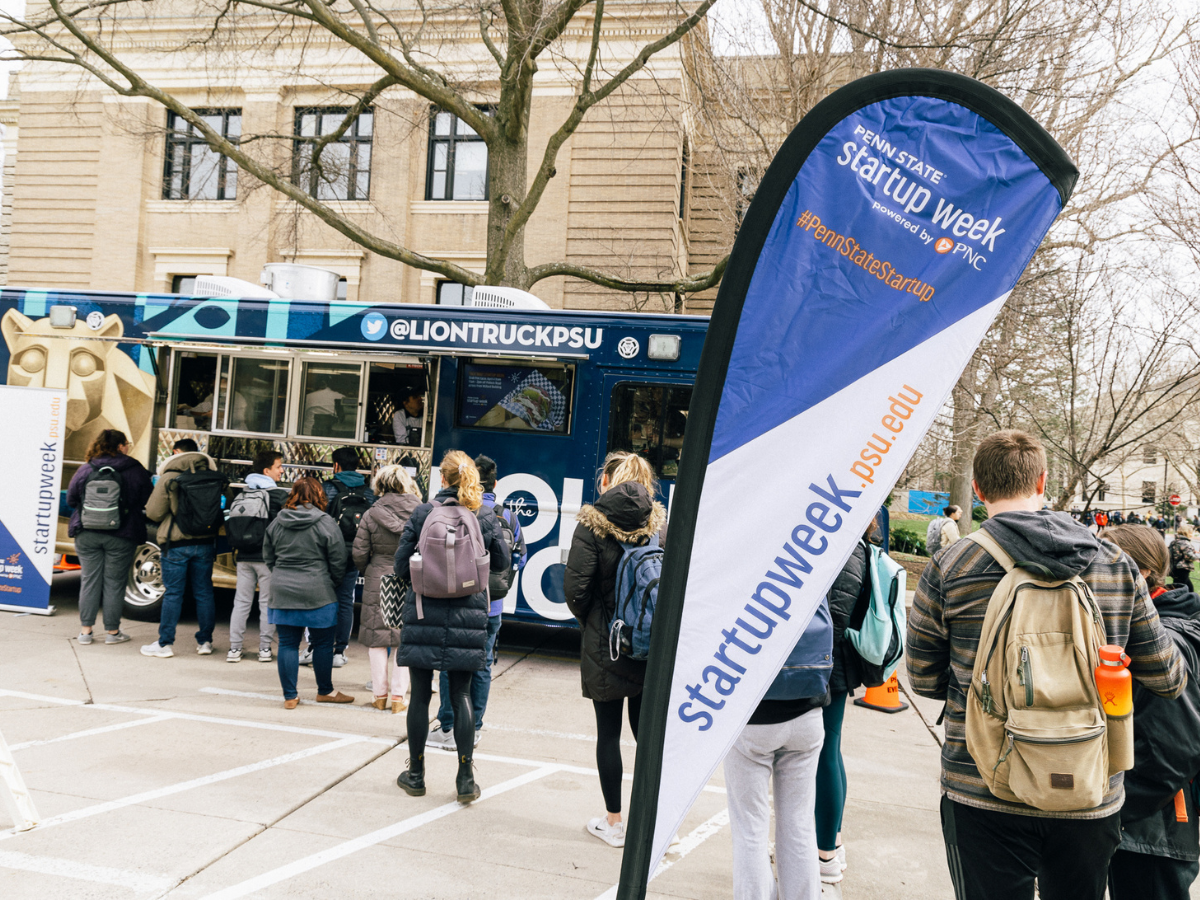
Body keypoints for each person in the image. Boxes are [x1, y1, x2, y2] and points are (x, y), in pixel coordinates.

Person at [907, 429, 1186, 900]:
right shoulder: (1114, 563)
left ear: (977, 489)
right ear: (1042, 481)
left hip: (980, 784)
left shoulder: (952, 565)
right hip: (1088, 787)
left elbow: (923, 677)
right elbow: (1169, 678)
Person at [393, 451, 509, 803]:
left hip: (424, 612)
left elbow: (400, 566)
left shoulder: (423, 513)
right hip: (468, 615)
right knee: (461, 696)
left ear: (442, 479)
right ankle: (464, 778)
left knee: (420, 695)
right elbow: (502, 561)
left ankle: (415, 774)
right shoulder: (484, 515)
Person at [563, 450, 666, 848]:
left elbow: (576, 591)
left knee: (609, 735)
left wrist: (594, 621)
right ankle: (653, 822)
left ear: (610, 481)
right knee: (648, 738)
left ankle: (615, 822)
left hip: (606, 645)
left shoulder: (591, 526)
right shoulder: (658, 526)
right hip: (647, 645)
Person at [1102, 525, 1200, 900]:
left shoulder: (1166, 641)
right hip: (1144, 824)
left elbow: (1170, 750)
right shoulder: (1146, 624)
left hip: (1153, 829)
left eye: (1104, 565)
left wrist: (1107, 810)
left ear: (1139, 573)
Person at [725, 606, 831, 900]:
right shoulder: (809, 560)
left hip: (751, 714)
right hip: (807, 706)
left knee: (750, 829)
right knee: (799, 824)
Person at [428, 454, 528, 749]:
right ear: (495, 483)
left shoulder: (457, 509)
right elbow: (517, 557)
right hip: (491, 605)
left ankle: (448, 727)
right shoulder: (505, 515)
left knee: (449, 664)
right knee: (482, 665)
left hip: (456, 602)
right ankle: (475, 728)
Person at [815, 521, 873, 884]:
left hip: (826, 662)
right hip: (836, 662)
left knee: (824, 753)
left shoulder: (845, 546)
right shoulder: (859, 544)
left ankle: (825, 856)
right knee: (830, 751)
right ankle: (832, 840)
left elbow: (834, 615)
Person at [264, 477, 353, 708]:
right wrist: (332, 581)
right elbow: (338, 559)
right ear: (320, 495)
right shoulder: (325, 522)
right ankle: (325, 691)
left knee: (287, 643)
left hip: (282, 589)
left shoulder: (277, 522)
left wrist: (281, 573)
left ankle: (290, 696)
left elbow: (268, 556)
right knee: (323, 643)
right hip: (319, 591)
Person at [66, 429, 153, 645]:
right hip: (121, 534)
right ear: (121, 446)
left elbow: (71, 499)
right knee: (115, 583)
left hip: (87, 532)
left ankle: (85, 632)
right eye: (127, 444)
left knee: (89, 580)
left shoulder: (87, 468)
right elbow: (147, 499)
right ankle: (113, 633)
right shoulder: (135, 469)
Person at [141, 439, 221, 659]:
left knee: (174, 593)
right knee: (204, 592)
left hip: (176, 544)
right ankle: (205, 641)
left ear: (176, 453)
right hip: (205, 543)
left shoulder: (169, 478)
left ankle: (165, 644)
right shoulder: (213, 477)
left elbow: (154, 513)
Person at [352, 465, 421, 713]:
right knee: (406, 638)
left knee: (377, 639)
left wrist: (368, 569)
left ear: (380, 484)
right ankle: (398, 698)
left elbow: (359, 552)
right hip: (411, 577)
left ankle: (379, 696)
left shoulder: (372, 513)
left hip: (378, 576)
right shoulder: (421, 512)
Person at [226, 449, 289, 663]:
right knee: (266, 603)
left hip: (243, 557)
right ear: (266, 470)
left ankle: (234, 649)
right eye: (278, 467)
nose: (282, 470)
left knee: (241, 602)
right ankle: (264, 649)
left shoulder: (243, 493)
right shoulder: (279, 496)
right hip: (267, 559)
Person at [315, 446, 375, 668]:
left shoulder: (327, 489)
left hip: (328, 553)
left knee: (322, 598)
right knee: (346, 600)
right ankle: (339, 651)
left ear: (336, 466)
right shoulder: (368, 493)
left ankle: (316, 646)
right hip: (354, 552)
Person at [1170, 523, 1197, 589]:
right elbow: (1189, 556)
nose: (1192, 534)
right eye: (1191, 532)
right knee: (1180, 588)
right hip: (1182, 568)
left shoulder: (1174, 541)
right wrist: (1197, 557)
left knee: (1188, 587)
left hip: (1174, 567)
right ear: (1187, 533)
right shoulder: (1185, 542)